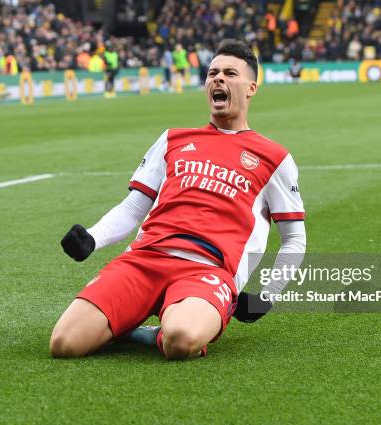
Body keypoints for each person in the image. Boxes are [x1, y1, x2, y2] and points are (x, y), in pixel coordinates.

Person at [51, 39, 306, 360]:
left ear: (251, 87)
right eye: (213, 73)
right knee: (65, 343)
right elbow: (133, 208)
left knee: (180, 340)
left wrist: (268, 296)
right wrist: (92, 238)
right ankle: (135, 317)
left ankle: (153, 330)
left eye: (230, 73)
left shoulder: (274, 157)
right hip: (144, 259)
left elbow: (294, 239)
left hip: (207, 270)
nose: (218, 79)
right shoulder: (173, 139)